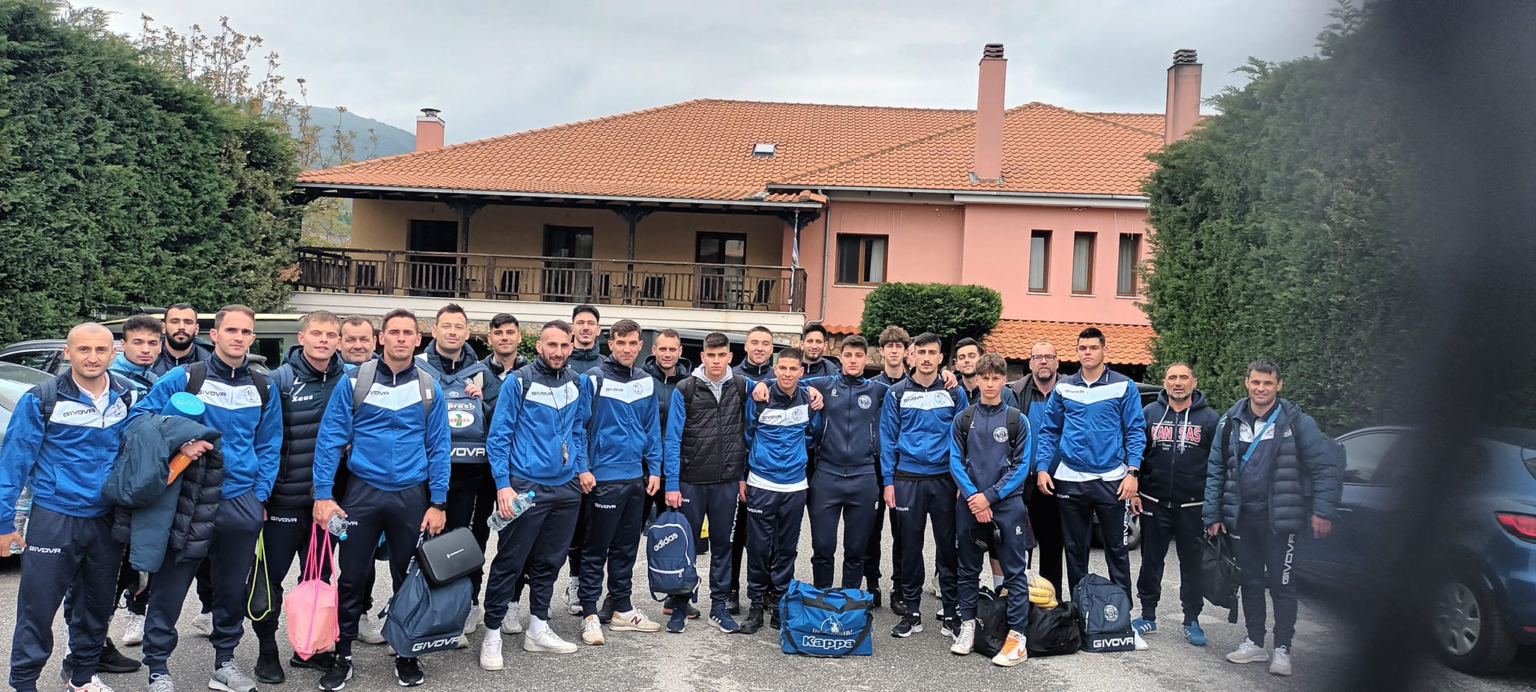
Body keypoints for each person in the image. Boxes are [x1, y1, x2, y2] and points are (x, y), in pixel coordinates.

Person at [132, 305, 282, 692]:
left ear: (252, 338)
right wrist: (182, 438)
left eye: (245, 332)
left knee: (230, 590)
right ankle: (158, 668)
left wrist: (259, 496)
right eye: (230, 330)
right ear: (213, 335)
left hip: (240, 500)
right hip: (189, 497)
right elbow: (141, 420)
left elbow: (270, 444)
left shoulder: (264, 386)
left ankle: (225, 662)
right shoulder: (184, 377)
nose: (238, 337)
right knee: (170, 587)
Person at [1, 323, 149, 692]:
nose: (92, 357)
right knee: (37, 609)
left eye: (100, 350)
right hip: (55, 517)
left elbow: (146, 445)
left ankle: (82, 679)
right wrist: (3, 522)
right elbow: (13, 463)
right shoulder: (42, 399)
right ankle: (23, 684)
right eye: (84, 349)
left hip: (106, 519)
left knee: (95, 608)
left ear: (113, 353)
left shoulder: (129, 395)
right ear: (68, 353)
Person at [312, 308, 451, 689]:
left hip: (412, 494)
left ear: (418, 340)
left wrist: (438, 502)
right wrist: (322, 493)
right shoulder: (354, 381)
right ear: (381, 338)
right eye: (394, 332)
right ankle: (342, 655)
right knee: (352, 576)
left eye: (408, 333)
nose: (401, 338)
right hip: (363, 491)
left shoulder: (429, 387)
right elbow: (330, 439)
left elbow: (439, 447)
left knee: (408, 578)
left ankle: (406, 653)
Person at [1205, 361, 1342, 677]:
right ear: (1246, 383)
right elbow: (1216, 469)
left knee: (1282, 585)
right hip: (1242, 519)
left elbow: (1326, 466)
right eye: (1256, 382)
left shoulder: (1297, 422)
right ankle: (1255, 642)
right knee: (1250, 581)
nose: (1261, 388)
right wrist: (1213, 513)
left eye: (1268, 383)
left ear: (1279, 385)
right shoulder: (1229, 421)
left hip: (1281, 521)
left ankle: (1282, 648)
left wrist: (1322, 510)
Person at [479, 320, 593, 665]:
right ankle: (492, 633)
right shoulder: (519, 381)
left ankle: (538, 628)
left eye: (564, 345)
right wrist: (503, 485)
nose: (558, 351)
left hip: (566, 487)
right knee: (509, 561)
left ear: (571, 346)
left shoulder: (577, 382)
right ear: (539, 346)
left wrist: (581, 467)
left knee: (550, 561)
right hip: (525, 485)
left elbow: (577, 430)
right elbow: (498, 437)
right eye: (551, 345)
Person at [251, 311, 349, 684]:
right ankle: (267, 651)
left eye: (331, 335)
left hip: (328, 501)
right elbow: (261, 440)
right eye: (317, 333)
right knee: (269, 580)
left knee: (318, 577)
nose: (324, 340)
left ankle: (311, 648)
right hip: (284, 499)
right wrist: (260, 495)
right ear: (302, 337)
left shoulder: (351, 380)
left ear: (338, 341)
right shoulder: (278, 381)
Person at [1033, 327, 1147, 649]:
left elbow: (1136, 430)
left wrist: (1133, 472)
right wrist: (1042, 467)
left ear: (1103, 350)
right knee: (1075, 552)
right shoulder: (1064, 387)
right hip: (1070, 479)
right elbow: (1049, 430)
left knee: (1117, 552)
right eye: (1082, 348)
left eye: (1093, 348)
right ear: (1077, 351)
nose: (1087, 353)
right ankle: (1080, 616)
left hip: (1112, 480)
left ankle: (1123, 621)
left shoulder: (1123, 385)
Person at [414, 304, 501, 639]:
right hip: (426, 473)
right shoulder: (417, 366)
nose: (452, 331)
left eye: (458, 326)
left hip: (471, 475)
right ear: (434, 330)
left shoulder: (482, 372)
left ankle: (467, 605)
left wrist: (482, 402)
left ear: (467, 333)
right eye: (446, 326)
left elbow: (501, 419)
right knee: (424, 543)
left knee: (467, 543)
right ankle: (419, 608)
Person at [575, 319, 665, 645]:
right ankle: (589, 613)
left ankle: (622, 608)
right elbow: (578, 427)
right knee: (595, 549)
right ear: (610, 344)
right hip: (602, 478)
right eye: (620, 342)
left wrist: (655, 469)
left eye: (632, 343)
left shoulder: (645, 381)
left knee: (627, 548)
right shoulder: (593, 378)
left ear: (640, 346)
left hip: (635, 479)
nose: (627, 349)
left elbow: (651, 428)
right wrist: (583, 468)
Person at [660, 332, 750, 634]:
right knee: (685, 547)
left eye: (721, 355)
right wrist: (672, 484)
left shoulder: (741, 385)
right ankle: (680, 605)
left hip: (726, 482)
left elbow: (746, 433)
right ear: (703, 357)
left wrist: (741, 477)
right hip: (691, 482)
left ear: (730, 357)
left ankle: (719, 607)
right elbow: (672, 439)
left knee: (723, 546)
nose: (716, 360)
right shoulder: (685, 389)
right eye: (711, 355)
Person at [881, 332, 968, 638]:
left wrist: (961, 481)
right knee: (909, 547)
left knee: (948, 548)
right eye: (922, 352)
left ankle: (951, 612)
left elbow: (963, 439)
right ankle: (912, 612)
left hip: (945, 479)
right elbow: (887, 439)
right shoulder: (896, 393)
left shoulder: (954, 392)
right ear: (912, 356)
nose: (927, 358)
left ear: (941, 358)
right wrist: (888, 481)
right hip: (907, 478)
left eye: (933, 352)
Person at [948, 353, 1032, 666]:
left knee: (1014, 572)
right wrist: (975, 497)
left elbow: (1022, 466)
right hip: (970, 505)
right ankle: (968, 625)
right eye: (984, 378)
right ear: (978, 379)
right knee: (968, 569)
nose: (990, 384)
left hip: (1006, 506)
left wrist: (990, 497)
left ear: (1003, 381)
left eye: (996, 378)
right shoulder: (964, 418)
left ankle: (1018, 637)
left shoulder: (1016, 419)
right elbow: (955, 460)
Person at [1131, 363, 1219, 647]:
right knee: (1150, 561)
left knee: (1192, 564)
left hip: (1194, 506)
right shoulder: (1149, 413)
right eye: (1172, 378)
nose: (1178, 382)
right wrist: (1135, 491)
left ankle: (1191, 619)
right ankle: (1147, 615)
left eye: (1183, 377)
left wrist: (1214, 507)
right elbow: (1137, 453)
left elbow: (1219, 465)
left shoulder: (1210, 419)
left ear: (1194, 382)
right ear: (1164, 382)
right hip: (1153, 502)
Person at [737, 348, 819, 635]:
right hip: (762, 483)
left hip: (795, 485)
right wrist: (743, 476)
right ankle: (756, 604)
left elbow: (813, 436)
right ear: (775, 369)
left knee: (786, 547)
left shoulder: (809, 399)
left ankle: (780, 603)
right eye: (782, 368)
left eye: (793, 369)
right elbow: (746, 437)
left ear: (801, 372)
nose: (787, 373)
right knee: (758, 548)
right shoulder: (759, 397)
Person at [805, 336, 887, 601]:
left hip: (863, 477)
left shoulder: (877, 390)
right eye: (848, 355)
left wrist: (946, 376)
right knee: (823, 547)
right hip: (827, 476)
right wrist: (763, 384)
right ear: (840, 358)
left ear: (866, 359)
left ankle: (849, 604)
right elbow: (785, 380)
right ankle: (822, 601)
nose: (853, 360)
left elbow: (912, 386)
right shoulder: (824, 384)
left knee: (856, 550)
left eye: (858, 355)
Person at [105, 315, 160, 649]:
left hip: (144, 484)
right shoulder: (110, 380)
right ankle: (93, 643)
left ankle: (136, 615)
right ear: (122, 345)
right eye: (137, 342)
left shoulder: (156, 380)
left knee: (140, 560)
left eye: (153, 343)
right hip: (114, 487)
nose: (145, 349)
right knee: (108, 569)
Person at [334, 315, 386, 645]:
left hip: (366, 482)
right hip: (327, 482)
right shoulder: (329, 375)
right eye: (350, 339)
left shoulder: (385, 375)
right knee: (319, 558)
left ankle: (361, 614)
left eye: (364, 339)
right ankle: (323, 622)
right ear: (340, 342)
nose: (357, 345)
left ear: (375, 341)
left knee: (362, 558)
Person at [1007, 341, 1066, 593]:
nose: (1043, 361)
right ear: (1030, 362)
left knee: (1053, 547)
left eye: (1048, 357)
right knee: (1019, 545)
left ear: (1057, 362)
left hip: (1058, 481)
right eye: (1038, 357)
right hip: (1023, 481)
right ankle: (1020, 598)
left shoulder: (1069, 391)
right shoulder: (1016, 392)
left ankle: (1051, 600)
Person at [641, 329, 692, 593]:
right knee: (626, 539)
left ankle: (677, 596)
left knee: (676, 537)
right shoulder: (641, 380)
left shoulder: (690, 383)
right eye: (663, 349)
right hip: (643, 470)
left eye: (673, 349)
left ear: (680, 351)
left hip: (677, 472)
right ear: (654, 350)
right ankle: (617, 596)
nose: (668, 354)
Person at [562, 305, 603, 612]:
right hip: (568, 461)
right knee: (570, 529)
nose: (586, 327)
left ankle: (589, 585)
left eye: (591, 323)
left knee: (594, 528)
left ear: (598, 330)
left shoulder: (606, 366)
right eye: (580, 322)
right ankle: (574, 581)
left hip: (600, 461)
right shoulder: (562, 363)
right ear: (572, 328)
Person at [868, 326, 911, 614]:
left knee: (902, 532)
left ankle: (900, 587)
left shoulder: (915, 386)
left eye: (899, 346)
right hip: (872, 467)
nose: (894, 350)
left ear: (906, 352)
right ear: (881, 351)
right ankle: (872, 585)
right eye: (889, 346)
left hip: (903, 469)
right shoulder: (870, 386)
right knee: (871, 530)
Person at [953, 338, 1016, 408]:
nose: (966, 360)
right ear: (956, 365)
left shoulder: (1004, 393)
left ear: (981, 360)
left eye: (972, 356)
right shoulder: (951, 391)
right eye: (961, 357)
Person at [153, 304, 212, 375]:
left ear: (196, 329)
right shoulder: (148, 359)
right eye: (175, 322)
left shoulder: (211, 362)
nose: (181, 327)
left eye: (188, 322)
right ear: (163, 327)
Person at [485, 313, 529, 379]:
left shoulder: (533, 374)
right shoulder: (476, 374)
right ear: (490, 339)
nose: (504, 337)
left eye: (510, 332)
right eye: (498, 333)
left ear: (519, 337)